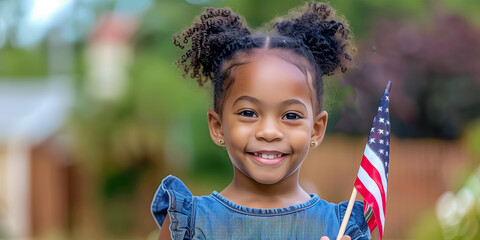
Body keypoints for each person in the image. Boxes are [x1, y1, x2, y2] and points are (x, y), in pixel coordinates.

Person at [151, 2, 370, 240]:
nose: (268, 131)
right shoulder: (189, 223)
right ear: (217, 126)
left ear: (316, 130)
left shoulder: (341, 227)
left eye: (291, 116)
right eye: (248, 113)